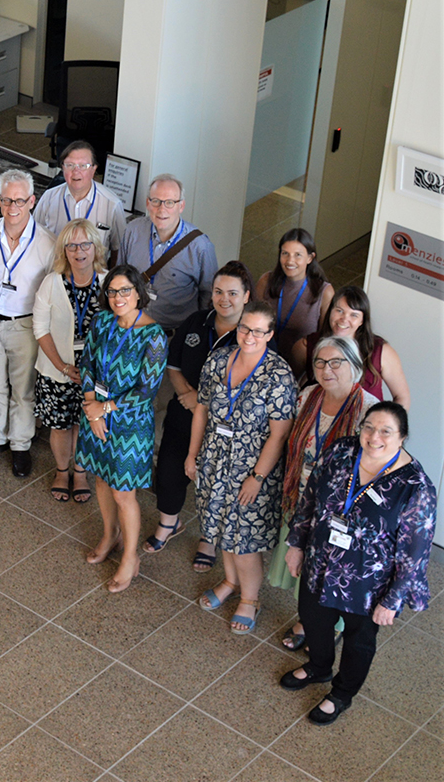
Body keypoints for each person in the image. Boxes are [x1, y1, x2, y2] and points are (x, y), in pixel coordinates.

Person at [279, 402, 436, 726]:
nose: (374, 436)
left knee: (359, 640)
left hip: (368, 583)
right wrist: (296, 543)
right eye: (369, 427)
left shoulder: (416, 487)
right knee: (313, 620)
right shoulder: (340, 451)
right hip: (321, 561)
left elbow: (415, 552)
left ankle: (341, 693)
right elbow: (311, 497)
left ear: (402, 437)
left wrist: (392, 600)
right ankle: (319, 668)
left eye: (385, 431)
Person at [186, 300, 297, 633]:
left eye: (259, 331)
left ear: (269, 334)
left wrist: (257, 478)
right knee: (219, 527)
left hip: (252, 469)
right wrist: (193, 455)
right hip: (214, 460)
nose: (249, 335)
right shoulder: (219, 359)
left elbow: (279, 435)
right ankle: (230, 581)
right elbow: (202, 410)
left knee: (244, 539)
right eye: (245, 328)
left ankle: (250, 598)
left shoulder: (278, 375)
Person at [269, 335, 379, 651]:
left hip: (341, 512)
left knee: (333, 571)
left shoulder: (369, 411)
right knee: (303, 566)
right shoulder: (308, 396)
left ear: (355, 366)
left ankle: (333, 624)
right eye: (319, 362)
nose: (326, 369)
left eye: (335, 362)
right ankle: (308, 617)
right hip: (303, 499)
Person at [148, 261, 252, 569]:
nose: (224, 299)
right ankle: (169, 522)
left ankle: (208, 538)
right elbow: (173, 364)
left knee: (213, 482)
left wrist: (203, 401)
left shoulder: (251, 335)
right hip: (185, 411)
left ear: (246, 296)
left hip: (223, 423)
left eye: (233, 293)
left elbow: (250, 387)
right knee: (168, 468)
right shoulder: (196, 322)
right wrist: (186, 396)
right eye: (219, 291)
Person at [75, 264, 167, 592]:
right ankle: (109, 535)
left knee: (122, 492)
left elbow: (147, 389)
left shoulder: (153, 335)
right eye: (112, 291)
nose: (118, 298)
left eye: (125, 290)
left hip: (130, 425)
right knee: (101, 477)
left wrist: (105, 408)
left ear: (139, 293)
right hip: (96, 416)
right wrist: (92, 408)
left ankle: (131, 557)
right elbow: (86, 363)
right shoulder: (101, 321)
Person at [0, 169, 55, 478]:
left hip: (26, 325)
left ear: (32, 200)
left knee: (23, 389)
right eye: (6, 200)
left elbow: (51, 290)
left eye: (20, 200)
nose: (13, 207)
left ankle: (20, 444)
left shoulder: (47, 242)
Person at [33, 219, 107, 503]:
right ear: (64, 250)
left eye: (85, 244)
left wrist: (93, 371)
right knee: (61, 425)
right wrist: (62, 366)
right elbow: (40, 328)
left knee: (86, 424)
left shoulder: (108, 282)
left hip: (96, 375)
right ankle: (62, 471)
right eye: (72, 245)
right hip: (57, 371)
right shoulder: (51, 282)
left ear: (95, 248)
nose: (79, 251)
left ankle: (80, 472)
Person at [119, 174, 219, 331]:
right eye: (156, 201)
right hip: (133, 330)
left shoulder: (201, 246)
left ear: (181, 206)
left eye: (170, 203)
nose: (161, 209)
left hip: (174, 335)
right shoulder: (133, 231)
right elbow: (120, 277)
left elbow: (209, 296)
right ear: (148, 203)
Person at [293, 286, 410, 407]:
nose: (344, 320)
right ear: (330, 312)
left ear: (362, 321)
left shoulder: (381, 351)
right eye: (339, 311)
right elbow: (291, 385)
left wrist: (386, 424)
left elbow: (402, 397)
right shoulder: (307, 345)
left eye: (353, 315)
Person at [253, 228, 333, 373]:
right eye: (285, 254)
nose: (290, 261)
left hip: (299, 368)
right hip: (260, 361)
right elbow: (250, 321)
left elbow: (325, 340)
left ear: (310, 258)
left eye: (298, 255)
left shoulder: (324, 292)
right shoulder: (266, 281)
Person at [33, 140, 128, 260]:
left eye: (83, 166)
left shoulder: (112, 204)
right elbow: (34, 237)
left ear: (93, 169)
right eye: (70, 165)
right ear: (62, 168)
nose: (76, 171)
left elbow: (118, 249)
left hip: (96, 276)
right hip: (55, 273)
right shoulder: (49, 198)